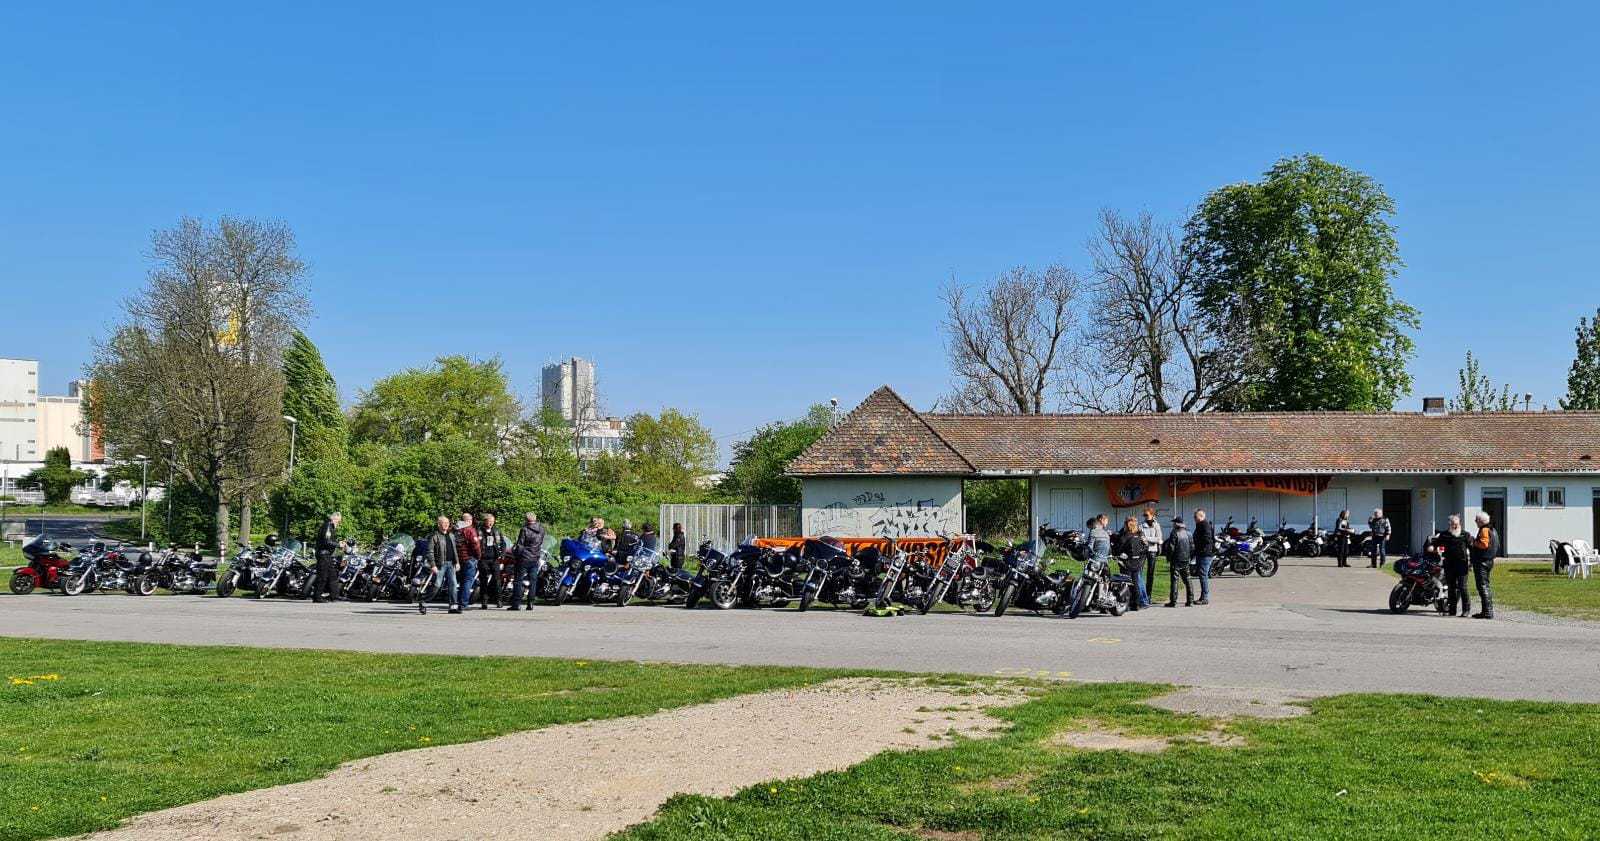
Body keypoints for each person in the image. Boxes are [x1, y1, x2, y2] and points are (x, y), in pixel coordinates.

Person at [1435, 515, 1472, 617]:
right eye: (1453, 524)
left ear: (1459, 524)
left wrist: (1471, 563)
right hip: (1449, 564)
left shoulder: (1465, 535)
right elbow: (1436, 544)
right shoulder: (1444, 535)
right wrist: (1433, 548)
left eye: (1457, 524)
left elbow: (1472, 548)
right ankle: (1452, 610)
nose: (1455, 526)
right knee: (1451, 588)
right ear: (1449, 524)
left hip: (1462, 565)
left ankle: (1466, 610)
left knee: (1462, 587)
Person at [422, 515, 459, 615]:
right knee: (437, 586)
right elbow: (430, 552)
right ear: (439, 524)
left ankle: (453, 606)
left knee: (453, 585)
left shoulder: (451, 535)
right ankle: (424, 602)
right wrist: (433, 565)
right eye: (444, 523)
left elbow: (455, 550)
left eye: (447, 523)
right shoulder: (434, 536)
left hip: (451, 564)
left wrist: (457, 562)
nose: (446, 524)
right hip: (440, 565)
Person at [510, 512, 547, 611]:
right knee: (533, 581)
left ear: (526, 520)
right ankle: (530, 603)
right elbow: (540, 543)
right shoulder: (541, 529)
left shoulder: (524, 529)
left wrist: (516, 555)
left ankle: (516, 604)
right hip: (535, 558)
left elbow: (520, 545)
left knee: (518, 581)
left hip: (524, 558)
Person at [1470, 511, 1499, 619]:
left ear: (1480, 521)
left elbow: (1484, 544)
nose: (1475, 522)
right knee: (1485, 585)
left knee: (1482, 586)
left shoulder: (1484, 530)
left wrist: (1473, 542)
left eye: (1476, 520)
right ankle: (1486, 611)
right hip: (1488, 561)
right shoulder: (1493, 529)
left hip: (1482, 561)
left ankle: (1487, 612)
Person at [476, 513, 506, 610]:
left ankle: (499, 601)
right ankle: (484, 602)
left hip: (494, 559)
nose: (491, 523)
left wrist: (502, 554)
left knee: (497, 580)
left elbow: (503, 543)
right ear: (485, 521)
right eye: (489, 521)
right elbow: (475, 544)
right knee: (483, 581)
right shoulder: (479, 531)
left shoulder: (496, 531)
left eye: (492, 522)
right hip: (483, 559)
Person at [1163, 516, 1194, 607]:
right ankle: (1190, 601)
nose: (1173, 524)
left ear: (1177, 523)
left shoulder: (1174, 533)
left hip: (1176, 560)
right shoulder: (1189, 533)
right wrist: (1189, 557)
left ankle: (1173, 601)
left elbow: (1171, 548)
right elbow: (1192, 547)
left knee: (1174, 580)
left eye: (1174, 523)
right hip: (1186, 559)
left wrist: (1169, 558)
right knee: (1188, 579)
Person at [1117, 516, 1148, 611]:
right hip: (1137, 562)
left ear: (1127, 525)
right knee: (1135, 583)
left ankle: (1127, 603)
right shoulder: (1140, 535)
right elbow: (1145, 547)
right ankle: (1137, 604)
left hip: (1126, 562)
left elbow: (1119, 549)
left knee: (1125, 583)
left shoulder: (1124, 536)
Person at [312, 511, 341, 603]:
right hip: (323, 554)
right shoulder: (327, 526)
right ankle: (317, 597)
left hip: (327, 554)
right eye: (338, 521)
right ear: (334, 519)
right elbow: (326, 541)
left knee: (333, 575)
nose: (338, 523)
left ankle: (334, 596)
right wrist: (338, 545)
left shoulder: (330, 527)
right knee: (322, 576)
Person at [455, 513, 481, 613]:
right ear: (468, 520)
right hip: (469, 558)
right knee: (468, 581)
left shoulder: (456, 530)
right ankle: (463, 603)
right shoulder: (470, 530)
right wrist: (478, 556)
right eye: (470, 520)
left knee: (461, 581)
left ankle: (457, 602)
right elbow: (475, 545)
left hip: (459, 559)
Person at [1139, 507, 1163, 606]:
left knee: (1150, 574)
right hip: (1143, 551)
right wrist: (1149, 539)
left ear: (1152, 515)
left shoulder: (1156, 525)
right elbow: (1141, 537)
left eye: (1147, 515)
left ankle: (1148, 595)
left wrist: (1147, 539)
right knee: (1139, 573)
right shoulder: (1141, 525)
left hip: (1152, 550)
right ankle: (1141, 595)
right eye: (1144, 515)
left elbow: (1159, 539)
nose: (1145, 517)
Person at [1191, 509, 1214, 605]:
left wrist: (1199, 547)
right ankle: (1203, 597)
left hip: (1204, 554)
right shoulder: (1201, 525)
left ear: (1201, 516)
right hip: (1202, 553)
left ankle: (1204, 598)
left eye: (1195, 517)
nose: (1194, 519)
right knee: (1202, 575)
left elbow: (1207, 539)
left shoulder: (1204, 525)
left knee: (1203, 575)